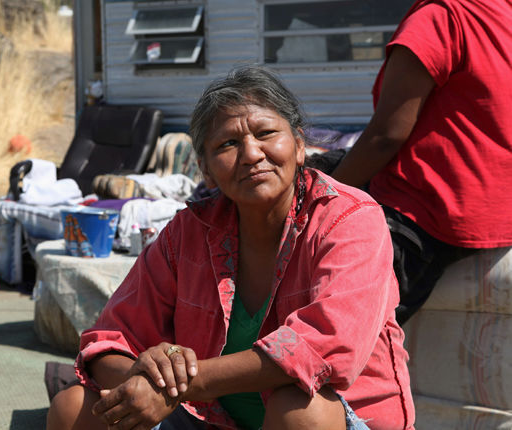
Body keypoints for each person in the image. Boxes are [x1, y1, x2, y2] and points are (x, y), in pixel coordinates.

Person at [47, 66, 414, 430]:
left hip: (341, 420)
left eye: (266, 133)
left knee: (300, 409)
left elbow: (322, 348)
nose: (252, 154)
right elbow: (109, 340)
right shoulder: (188, 233)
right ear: (206, 170)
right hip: (215, 420)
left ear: (300, 145)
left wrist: (181, 384)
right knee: (74, 409)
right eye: (228, 144)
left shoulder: (349, 218)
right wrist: (147, 380)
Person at [329, 0, 512, 325]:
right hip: (495, 207)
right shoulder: (501, 12)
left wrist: (325, 200)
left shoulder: (440, 18)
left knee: (341, 325)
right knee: (318, 166)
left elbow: (385, 136)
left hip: (430, 212)